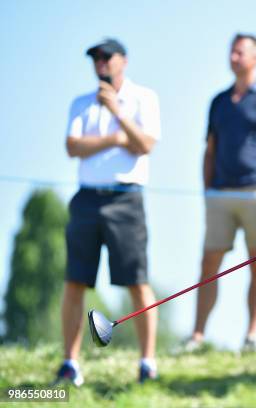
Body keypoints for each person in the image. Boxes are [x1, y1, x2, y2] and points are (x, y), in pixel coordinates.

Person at [56, 38, 160, 385]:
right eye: (95, 58)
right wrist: (117, 139)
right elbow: (73, 147)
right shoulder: (81, 103)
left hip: (126, 199)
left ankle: (147, 362)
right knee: (75, 280)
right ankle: (70, 363)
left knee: (137, 280)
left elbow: (144, 144)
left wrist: (118, 113)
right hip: (86, 199)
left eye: (106, 57)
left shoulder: (144, 97)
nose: (99, 63)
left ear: (123, 61)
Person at [188, 33, 256, 352]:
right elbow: (210, 148)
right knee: (209, 263)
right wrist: (207, 189)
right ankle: (197, 336)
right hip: (220, 193)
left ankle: (251, 335)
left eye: (240, 52)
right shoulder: (219, 101)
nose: (233, 57)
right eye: (231, 51)